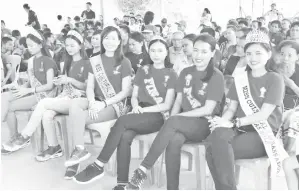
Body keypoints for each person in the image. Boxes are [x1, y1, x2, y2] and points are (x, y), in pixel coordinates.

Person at [73, 37, 177, 189]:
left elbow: (167, 105)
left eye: (160, 50)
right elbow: (134, 95)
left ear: (167, 52)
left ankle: (99, 164)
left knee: (121, 121)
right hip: (139, 111)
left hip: (157, 115)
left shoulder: (172, 73)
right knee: (125, 135)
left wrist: (142, 110)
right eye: (153, 50)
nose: (156, 54)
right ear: (149, 51)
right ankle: (122, 183)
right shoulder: (143, 70)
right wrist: (135, 106)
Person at [125, 34, 225, 190]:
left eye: (204, 52)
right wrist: (172, 119)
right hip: (184, 122)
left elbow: (208, 109)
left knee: (172, 122)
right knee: (174, 140)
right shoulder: (186, 72)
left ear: (212, 53)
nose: (198, 55)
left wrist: (175, 118)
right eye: (196, 50)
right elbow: (178, 101)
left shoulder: (217, 76)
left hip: (206, 124)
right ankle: (172, 188)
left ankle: (143, 168)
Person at [206, 30, 287, 190]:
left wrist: (234, 122)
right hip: (240, 129)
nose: (253, 58)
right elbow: (231, 108)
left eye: (258, 53)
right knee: (214, 139)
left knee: (213, 150)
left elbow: (264, 114)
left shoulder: (274, 79)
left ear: (269, 54)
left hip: (263, 133)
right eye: (249, 53)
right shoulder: (241, 78)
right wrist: (223, 121)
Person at [5, 30, 90, 160]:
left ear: (81, 45)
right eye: (67, 45)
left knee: (44, 103)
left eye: (72, 45)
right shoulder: (67, 62)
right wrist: (61, 81)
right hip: (66, 97)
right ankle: (54, 147)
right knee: (46, 114)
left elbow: (87, 87)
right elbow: (62, 84)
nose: (69, 48)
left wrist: (69, 80)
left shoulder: (87, 63)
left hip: (78, 100)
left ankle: (25, 136)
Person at [63, 26, 133, 179]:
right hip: (96, 100)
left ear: (120, 41)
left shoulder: (124, 62)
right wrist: (92, 102)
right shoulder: (94, 60)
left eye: (113, 38)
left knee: (77, 118)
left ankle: (75, 160)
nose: (109, 41)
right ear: (102, 40)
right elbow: (89, 86)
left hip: (115, 105)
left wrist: (104, 103)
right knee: (74, 105)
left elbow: (125, 92)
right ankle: (79, 149)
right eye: (106, 38)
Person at [1, 29, 58, 154]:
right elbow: (31, 81)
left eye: (32, 45)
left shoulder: (48, 60)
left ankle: (21, 138)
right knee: (8, 105)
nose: (29, 48)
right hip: (35, 94)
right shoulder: (33, 60)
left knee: (8, 103)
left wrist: (29, 90)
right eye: (28, 45)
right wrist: (20, 87)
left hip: (46, 97)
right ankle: (15, 137)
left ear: (40, 45)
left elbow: (49, 86)